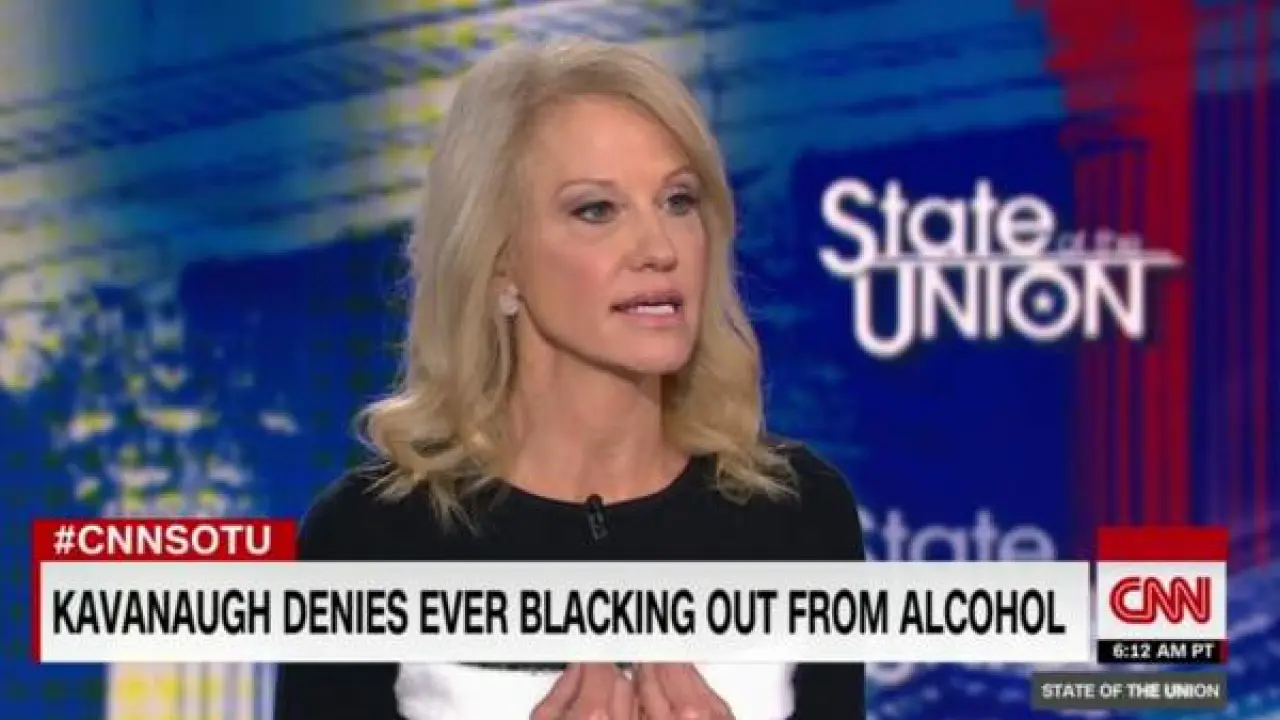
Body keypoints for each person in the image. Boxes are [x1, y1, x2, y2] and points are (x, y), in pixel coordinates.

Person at [273, 38, 866, 720]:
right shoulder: (367, 542)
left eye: (678, 201)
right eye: (596, 210)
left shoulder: (800, 515)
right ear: (500, 262)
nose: (660, 249)